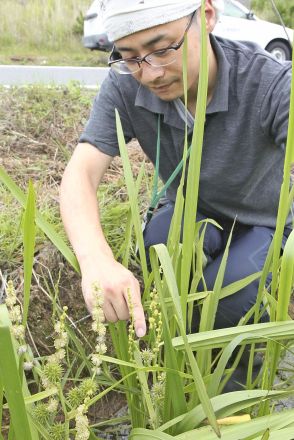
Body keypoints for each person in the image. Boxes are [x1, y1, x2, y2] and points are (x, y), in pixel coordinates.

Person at [60, 0, 292, 357]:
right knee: (160, 247)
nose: (150, 73)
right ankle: (176, 365)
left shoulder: (269, 84)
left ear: (208, 15)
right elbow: (82, 172)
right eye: (130, 56)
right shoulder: (126, 84)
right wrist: (95, 260)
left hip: (264, 220)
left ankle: (235, 393)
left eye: (163, 49)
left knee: (229, 291)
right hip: (194, 209)